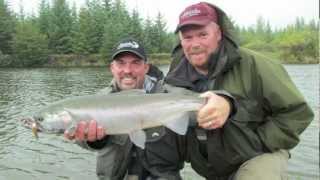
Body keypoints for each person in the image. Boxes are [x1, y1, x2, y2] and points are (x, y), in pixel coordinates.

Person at [164, 2, 314, 180]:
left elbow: (298, 113)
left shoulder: (257, 65)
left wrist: (257, 143)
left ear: (218, 34)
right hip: (212, 169)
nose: (195, 44)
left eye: (203, 35)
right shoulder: (173, 76)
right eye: (188, 37)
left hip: (259, 156)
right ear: (181, 40)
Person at [64, 38, 183, 180]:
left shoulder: (168, 94)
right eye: (121, 63)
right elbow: (80, 140)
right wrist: (96, 141)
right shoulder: (98, 100)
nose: (127, 70)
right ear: (112, 68)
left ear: (146, 68)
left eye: (135, 63)